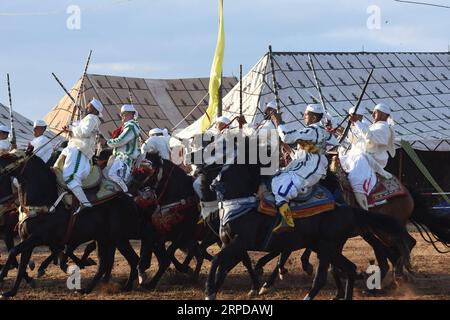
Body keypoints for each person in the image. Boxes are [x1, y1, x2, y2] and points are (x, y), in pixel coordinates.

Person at [269, 104, 338, 233]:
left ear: (313, 117)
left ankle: (287, 220)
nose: (303, 116)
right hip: (304, 166)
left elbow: (287, 136)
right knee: (277, 177)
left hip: (310, 169)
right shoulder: (315, 132)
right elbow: (308, 150)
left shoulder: (312, 130)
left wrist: (277, 121)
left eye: (306, 114)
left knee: (283, 183)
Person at [339, 103, 396, 210]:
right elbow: (357, 141)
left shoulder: (384, 128)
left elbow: (370, 138)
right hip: (360, 156)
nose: (373, 114)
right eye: (372, 112)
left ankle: (361, 195)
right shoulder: (371, 126)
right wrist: (343, 132)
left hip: (372, 159)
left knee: (358, 165)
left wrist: (357, 122)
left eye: (376, 112)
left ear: (385, 115)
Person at [60, 98, 103, 209]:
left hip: (78, 150)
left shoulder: (91, 118)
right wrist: (70, 130)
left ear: (94, 109)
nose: (87, 107)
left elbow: (84, 132)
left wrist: (71, 128)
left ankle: (86, 205)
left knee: (70, 177)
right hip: (76, 149)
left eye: (89, 105)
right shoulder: (88, 119)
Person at [106, 104, 141, 192]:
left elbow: (121, 140)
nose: (121, 116)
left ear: (130, 114)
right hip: (119, 158)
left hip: (124, 159)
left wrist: (109, 142)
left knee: (113, 175)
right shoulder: (128, 126)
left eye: (123, 114)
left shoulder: (131, 126)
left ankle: (126, 193)